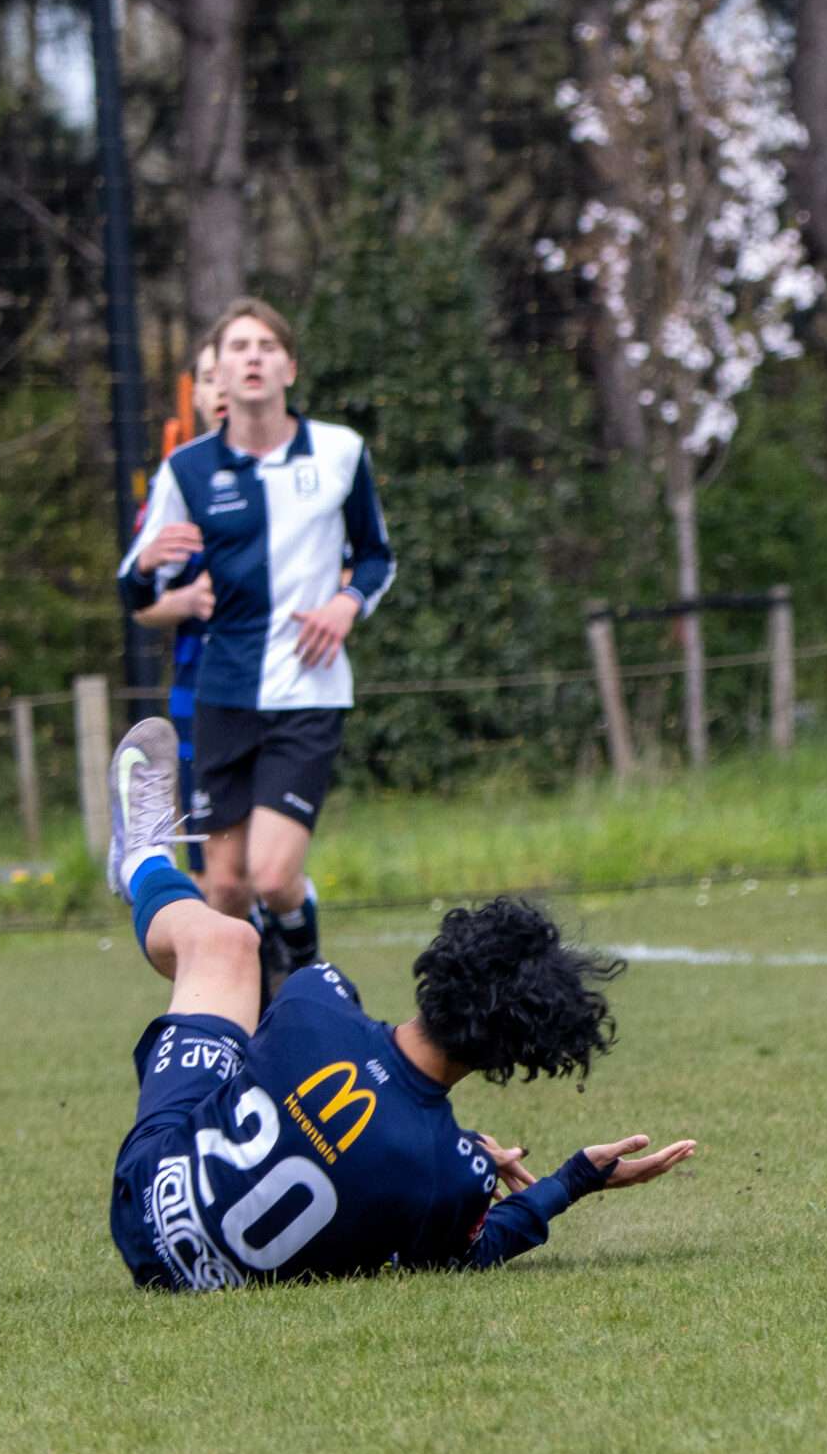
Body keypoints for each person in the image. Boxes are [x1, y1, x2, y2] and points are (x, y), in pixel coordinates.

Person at [101, 715, 695, 1289]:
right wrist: (571, 1179)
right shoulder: (451, 1175)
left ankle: (142, 862)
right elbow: (474, 1249)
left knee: (227, 945)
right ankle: (140, 860)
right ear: (513, 1057)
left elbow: (339, 1086)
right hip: (197, 1281)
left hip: (143, 1199)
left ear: (445, 959)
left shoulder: (317, 997)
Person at [116, 298, 395, 988]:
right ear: (218, 370)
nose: (252, 358)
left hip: (309, 691)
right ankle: (253, 1016)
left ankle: (303, 976)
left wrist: (346, 603)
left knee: (273, 876)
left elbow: (377, 556)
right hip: (225, 693)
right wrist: (149, 569)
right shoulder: (187, 470)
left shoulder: (339, 451)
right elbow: (136, 589)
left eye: (266, 346)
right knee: (226, 888)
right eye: (238, 347)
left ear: (289, 367)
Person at [130, 333, 224, 880]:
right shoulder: (177, 482)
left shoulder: (295, 472)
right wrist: (188, 599)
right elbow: (141, 603)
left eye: (228, 373)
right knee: (211, 861)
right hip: (200, 685)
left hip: (279, 688)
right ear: (197, 394)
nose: (222, 388)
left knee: (271, 863)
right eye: (209, 378)